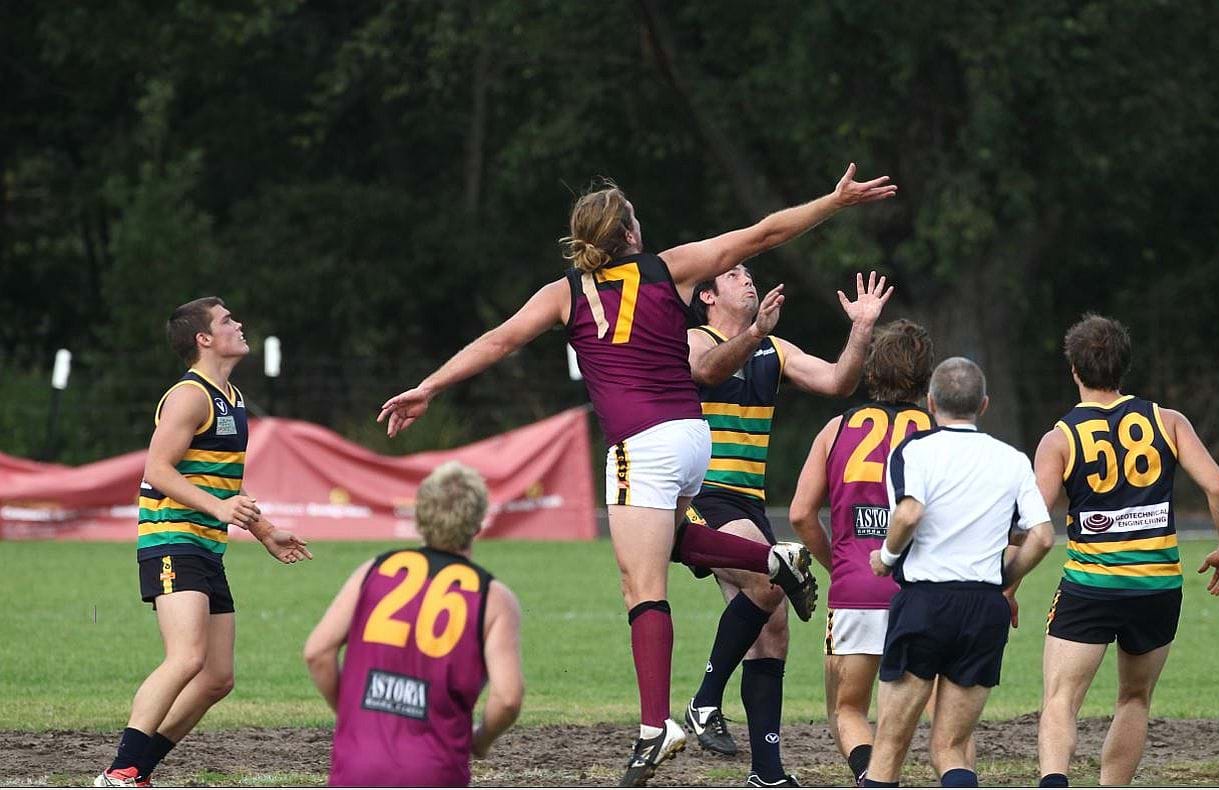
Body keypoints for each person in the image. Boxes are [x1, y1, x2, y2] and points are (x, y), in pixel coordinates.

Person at [378, 163, 898, 786]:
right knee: (671, 541)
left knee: (641, 588)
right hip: (691, 439)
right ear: (628, 233)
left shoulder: (564, 294)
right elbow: (763, 233)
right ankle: (769, 560)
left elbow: (498, 341)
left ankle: (656, 727)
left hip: (641, 445)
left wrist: (429, 386)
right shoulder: (668, 267)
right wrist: (833, 203)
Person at [680, 266, 893, 788]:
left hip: (748, 504)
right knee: (772, 580)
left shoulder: (774, 350)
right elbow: (706, 371)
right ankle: (704, 701)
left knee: (772, 630)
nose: (747, 279)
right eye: (733, 274)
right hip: (702, 497)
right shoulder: (692, 340)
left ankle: (767, 773)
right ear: (707, 295)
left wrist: (861, 329)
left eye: (748, 273)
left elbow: (839, 381)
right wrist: (754, 333)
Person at [96, 297, 312, 788]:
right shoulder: (189, 396)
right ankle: (119, 771)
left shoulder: (230, 397)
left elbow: (221, 482)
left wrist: (263, 530)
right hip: (172, 539)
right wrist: (217, 509)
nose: (239, 324)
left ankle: (135, 771)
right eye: (227, 320)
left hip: (204, 546)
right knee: (187, 657)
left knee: (216, 678)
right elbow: (157, 469)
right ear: (204, 338)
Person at [1033, 314, 1219, 788]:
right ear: (1124, 365)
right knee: (1134, 698)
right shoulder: (1168, 421)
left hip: (1090, 586)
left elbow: (1034, 520)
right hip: (1157, 588)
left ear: (1074, 369)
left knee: (1060, 700)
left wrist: (1009, 584)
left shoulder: (1059, 438)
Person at [862, 357, 1054, 788]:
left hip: (925, 604)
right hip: (983, 608)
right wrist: (1003, 580)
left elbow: (909, 513)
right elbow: (1042, 537)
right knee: (950, 747)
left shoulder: (913, 451)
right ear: (983, 405)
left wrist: (886, 558)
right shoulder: (1012, 459)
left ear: (930, 403)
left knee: (889, 747)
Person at [304, 461, 523, 787]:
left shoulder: (373, 570)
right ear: (478, 524)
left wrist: (352, 716)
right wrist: (481, 741)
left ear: (419, 517)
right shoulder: (493, 598)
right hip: (434, 771)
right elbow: (507, 698)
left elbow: (317, 653)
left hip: (357, 768)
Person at [788, 319, 936, 786]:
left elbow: (800, 515)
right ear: (925, 377)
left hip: (857, 589)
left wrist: (839, 565)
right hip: (928, 592)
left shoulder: (836, 428)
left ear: (871, 370)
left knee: (847, 709)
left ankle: (874, 778)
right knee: (942, 717)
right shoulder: (939, 431)